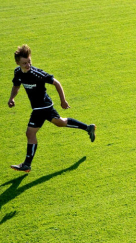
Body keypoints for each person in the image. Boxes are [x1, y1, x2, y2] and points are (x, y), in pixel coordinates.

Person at [8, 44, 95, 172]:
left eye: (29, 61)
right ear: (18, 63)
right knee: (60, 123)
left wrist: (63, 101)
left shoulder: (37, 74)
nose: (28, 65)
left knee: (30, 133)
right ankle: (88, 128)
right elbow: (16, 86)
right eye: (24, 63)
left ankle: (27, 164)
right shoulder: (18, 73)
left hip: (42, 107)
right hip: (44, 107)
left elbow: (56, 83)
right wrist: (12, 98)